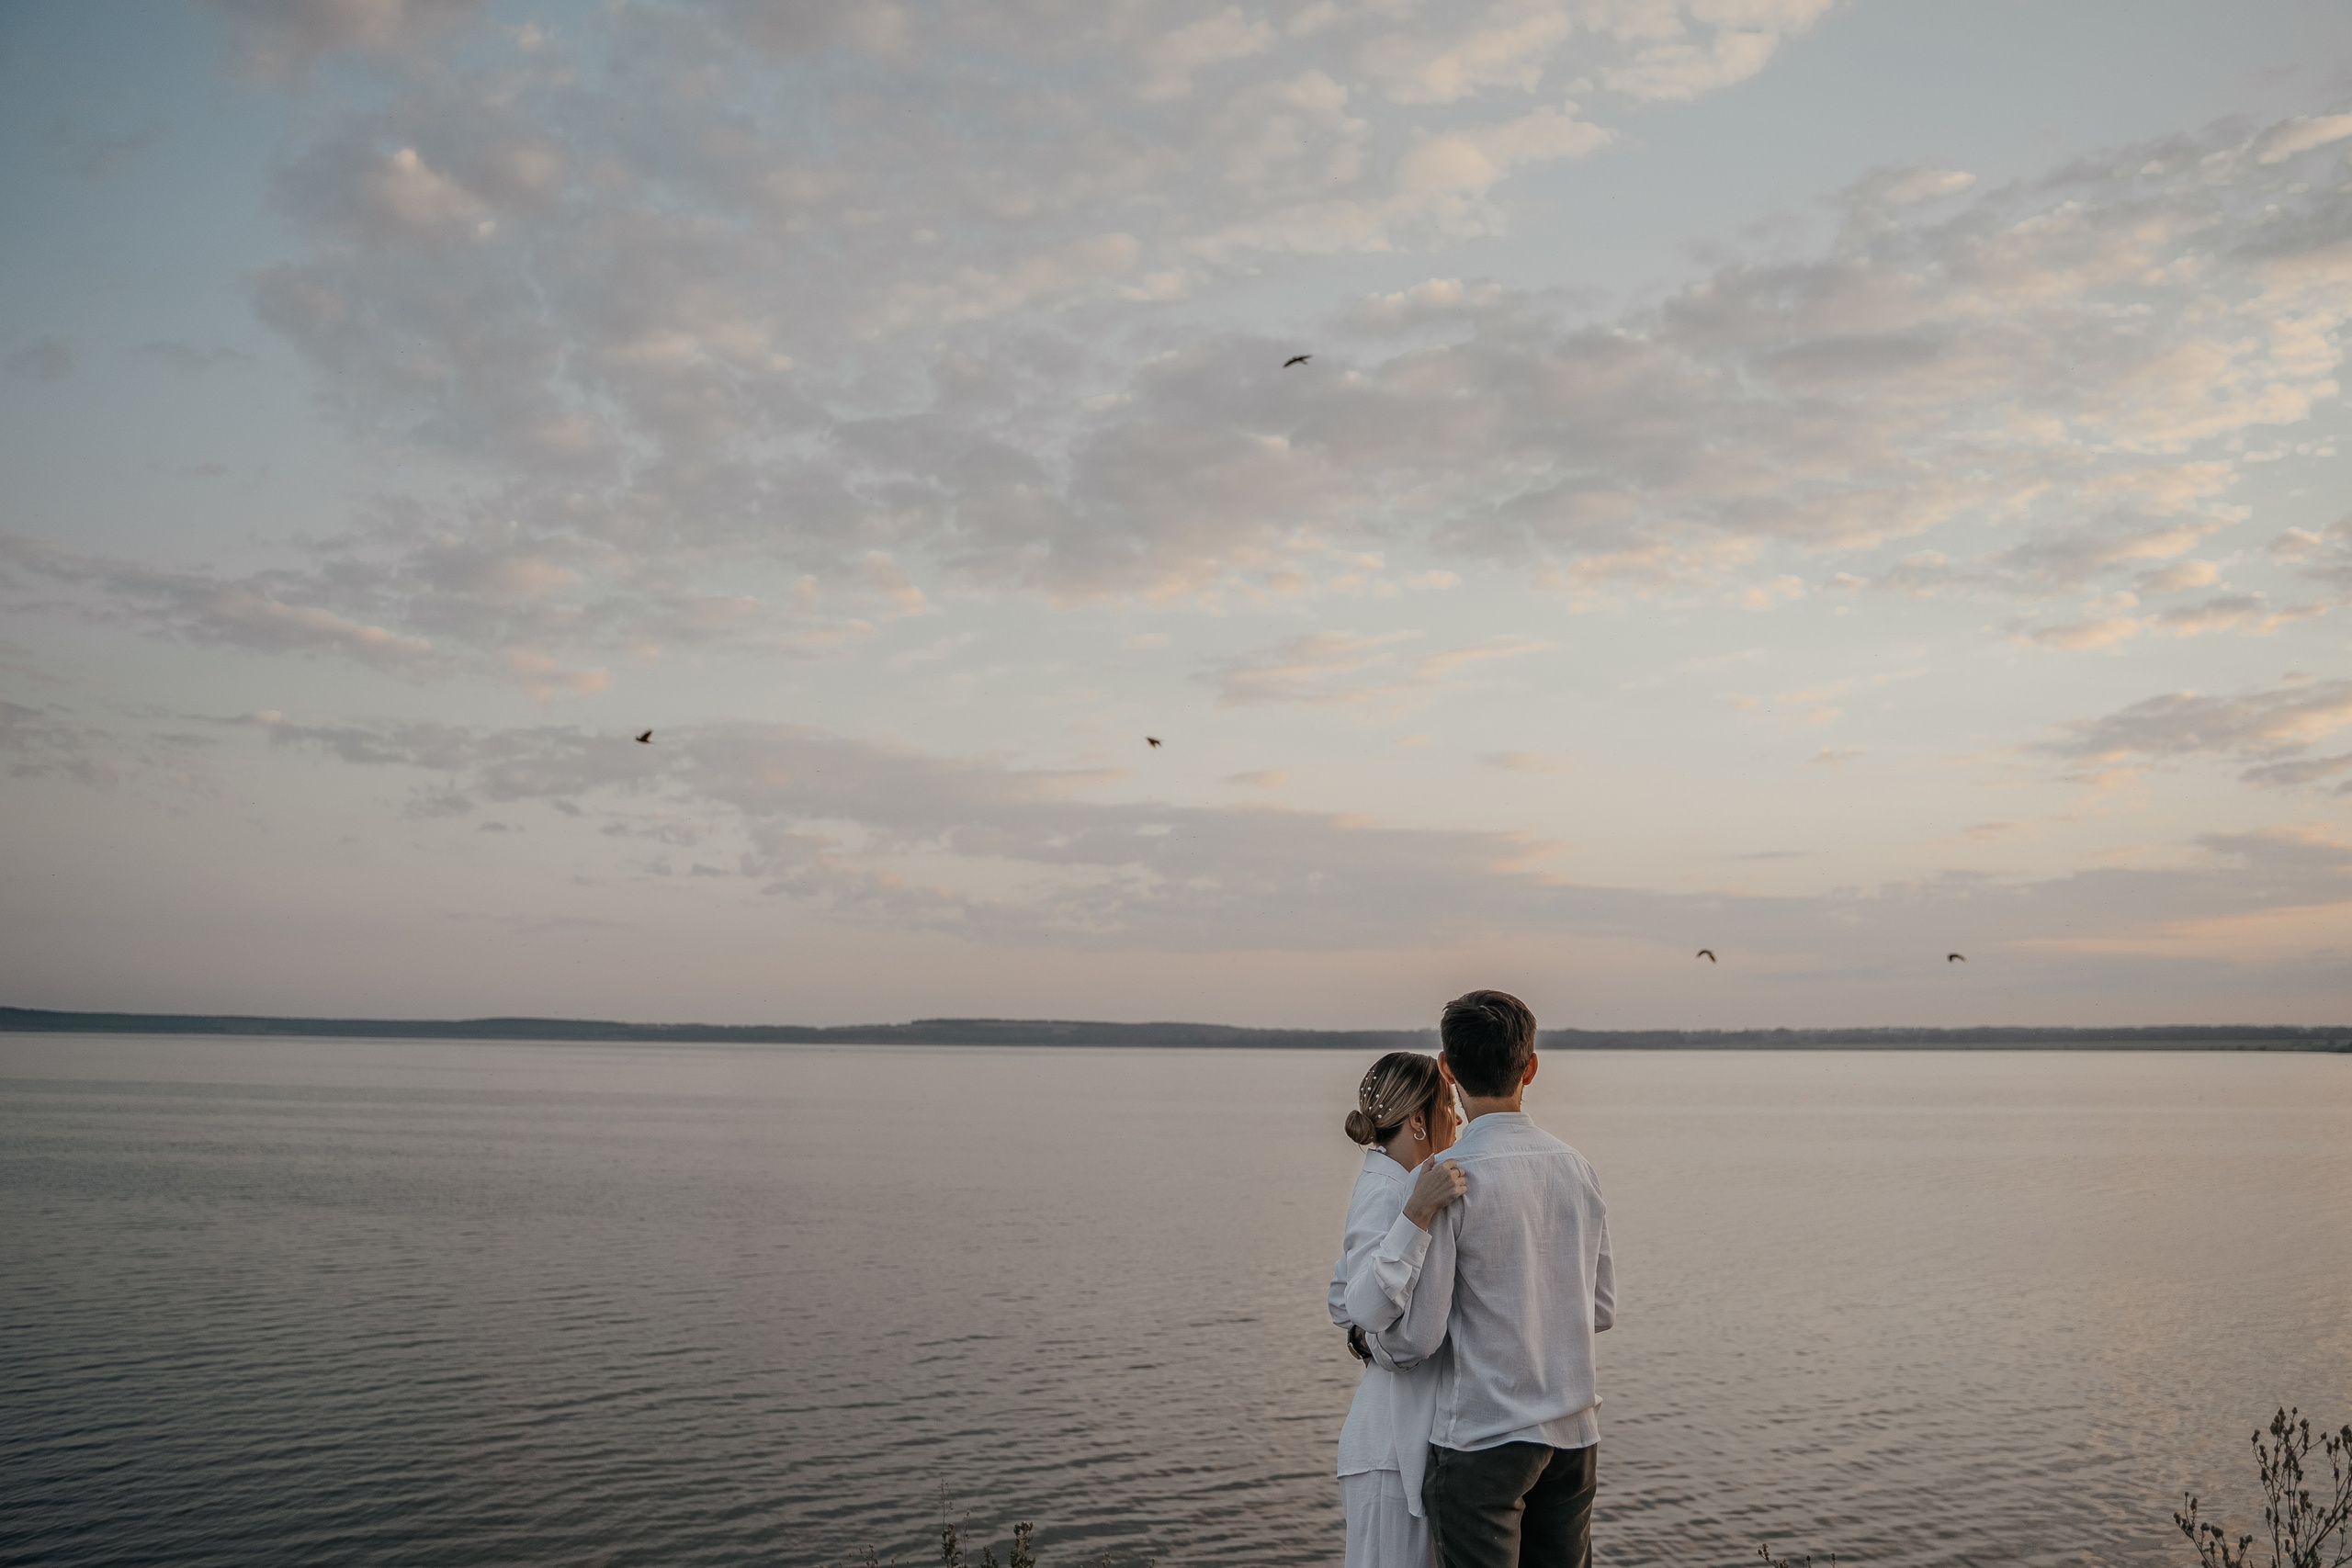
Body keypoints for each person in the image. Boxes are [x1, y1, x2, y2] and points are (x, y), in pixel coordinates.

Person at [1364, 991, 1615, 1568]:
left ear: (1446, 1069)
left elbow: (1418, 1337)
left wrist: (1370, 1340)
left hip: (1482, 1441)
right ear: (1531, 1066)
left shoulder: (1448, 1176)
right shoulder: (1578, 1168)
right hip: (1573, 1434)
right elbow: (1600, 1309)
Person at [1328, 1051, 1469, 1568]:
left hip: (1396, 1444)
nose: (1457, 1118)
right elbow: (1358, 1304)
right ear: (1417, 1121)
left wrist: (1366, 1337)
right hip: (1387, 1451)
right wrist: (1418, 1212)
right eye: (1447, 1105)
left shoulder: (1389, 1180)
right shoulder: (1393, 1191)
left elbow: (1341, 1296)